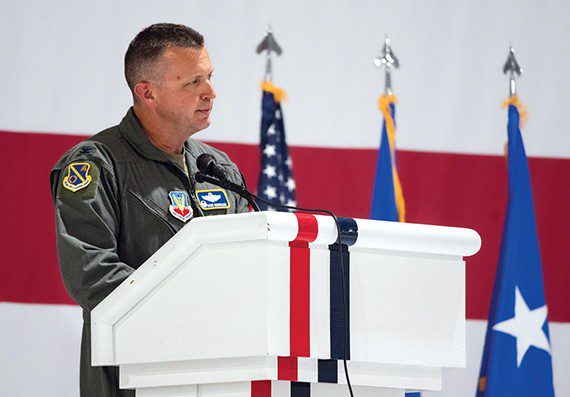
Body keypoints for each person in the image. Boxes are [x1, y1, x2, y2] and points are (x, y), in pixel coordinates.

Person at [50, 23, 249, 396]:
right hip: (133, 376)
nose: (210, 93)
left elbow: (248, 266)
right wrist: (190, 311)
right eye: (193, 83)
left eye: (208, 77)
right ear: (147, 92)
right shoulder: (97, 165)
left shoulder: (219, 169)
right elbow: (91, 273)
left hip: (221, 374)